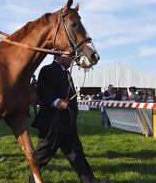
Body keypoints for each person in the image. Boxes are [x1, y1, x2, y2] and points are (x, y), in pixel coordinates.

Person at [29, 55, 107, 183]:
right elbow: (42, 90)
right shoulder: (47, 69)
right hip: (52, 124)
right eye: (69, 56)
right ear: (59, 56)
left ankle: (90, 181)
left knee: (77, 154)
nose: (72, 59)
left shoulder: (66, 73)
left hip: (66, 124)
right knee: (41, 157)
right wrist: (55, 101)